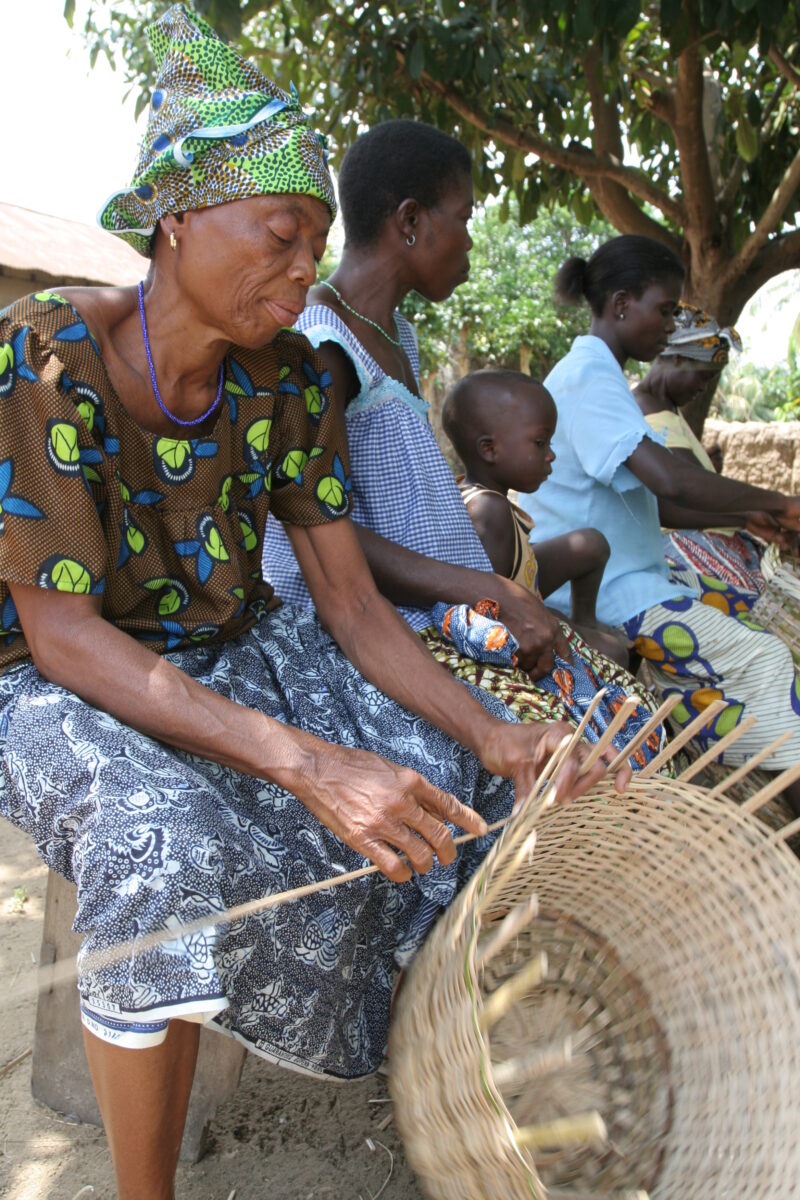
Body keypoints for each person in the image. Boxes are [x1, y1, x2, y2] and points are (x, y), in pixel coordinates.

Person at [0, 10, 620, 1198]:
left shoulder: (287, 379)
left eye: (311, 247)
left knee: (473, 774)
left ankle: (448, 1066)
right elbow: (65, 637)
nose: (301, 275)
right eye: (279, 238)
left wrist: (492, 731)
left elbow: (348, 604)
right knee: (157, 847)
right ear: (177, 217)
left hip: (240, 649)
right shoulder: (47, 357)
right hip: (53, 679)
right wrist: (308, 764)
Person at [262, 120, 663, 763]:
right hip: (368, 630)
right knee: (577, 747)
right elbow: (320, 534)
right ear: (412, 221)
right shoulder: (324, 344)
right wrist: (495, 591)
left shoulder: (396, 336)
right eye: (465, 217)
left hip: (436, 611)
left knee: (618, 703)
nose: (471, 240)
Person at [516, 234, 800, 808]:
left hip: (634, 577)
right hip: (610, 594)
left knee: (751, 608)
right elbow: (670, 480)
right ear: (622, 305)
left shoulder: (599, 377)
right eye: (665, 310)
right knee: (766, 658)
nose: (671, 326)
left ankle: (739, 756)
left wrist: (748, 512)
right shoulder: (591, 381)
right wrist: (780, 502)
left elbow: (659, 503)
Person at [441, 368, 630, 667]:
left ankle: (585, 620)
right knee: (616, 653)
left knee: (590, 544)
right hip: (512, 624)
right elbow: (495, 612)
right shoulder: (490, 510)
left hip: (524, 589)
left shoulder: (481, 493)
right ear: (489, 449)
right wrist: (551, 621)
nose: (551, 455)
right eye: (541, 442)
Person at [633, 302, 783, 592]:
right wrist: (758, 511)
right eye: (702, 376)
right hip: (689, 545)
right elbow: (681, 496)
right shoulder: (650, 414)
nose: (703, 388)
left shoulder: (666, 412)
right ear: (676, 359)